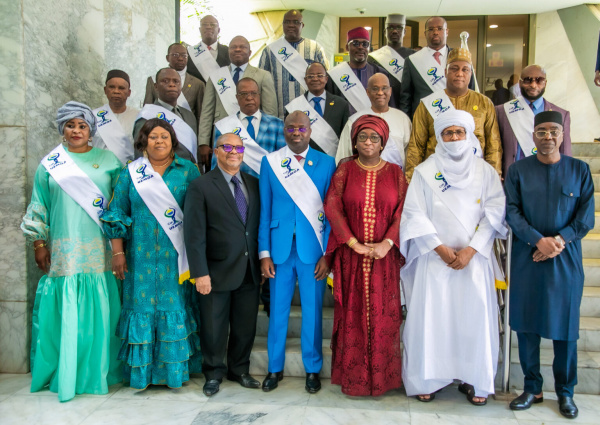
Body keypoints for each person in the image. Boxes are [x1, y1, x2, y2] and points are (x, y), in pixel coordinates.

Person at [400, 110, 507, 405]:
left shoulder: (485, 171)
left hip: (474, 261)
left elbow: (495, 212)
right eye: (448, 133)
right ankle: (429, 378)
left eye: (460, 132)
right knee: (432, 320)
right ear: (440, 137)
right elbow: (413, 214)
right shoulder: (425, 171)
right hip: (434, 260)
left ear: (469, 135)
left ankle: (475, 380)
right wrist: (440, 248)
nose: (454, 138)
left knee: (472, 320)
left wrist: (471, 250)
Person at [21, 101, 122, 402]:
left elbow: (118, 208)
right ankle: (65, 372)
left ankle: (98, 371)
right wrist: (40, 243)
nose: (76, 130)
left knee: (99, 312)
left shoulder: (109, 161)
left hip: (99, 249)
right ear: (62, 129)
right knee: (67, 312)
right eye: (70, 125)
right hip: (64, 249)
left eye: (82, 125)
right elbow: (39, 204)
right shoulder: (50, 163)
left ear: (91, 129)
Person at [505, 111, 595, 420]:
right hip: (527, 258)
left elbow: (585, 218)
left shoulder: (580, 170)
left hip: (565, 260)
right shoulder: (518, 171)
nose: (548, 137)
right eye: (541, 131)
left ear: (562, 135)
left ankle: (565, 393)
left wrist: (557, 241)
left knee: (565, 330)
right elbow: (512, 212)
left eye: (553, 131)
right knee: (527, 326)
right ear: (533, 136)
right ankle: (532, 388)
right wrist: (536, 240)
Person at [101, 118, 202, 390]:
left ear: (173, 141)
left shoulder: (188, 171)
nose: (159, 141)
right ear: (143, 141)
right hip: (139, 258)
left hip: (177, 259)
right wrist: (118, 252)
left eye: (164, 137)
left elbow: (199, 213)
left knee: (175, 308)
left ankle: (174, 373)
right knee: (142, 310)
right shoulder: (130, 173)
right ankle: (141, 375)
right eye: (153, 137)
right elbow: (117, 214)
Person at [324, 115, 407, 396]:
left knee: (383, 317)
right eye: (362, 137)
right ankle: (355, 378)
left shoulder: (396, 172)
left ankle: (383, 380)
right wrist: (351, 242)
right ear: (354, 143)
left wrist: (387, 242)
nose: (368, 142)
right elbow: (332, 206)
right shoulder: (345, 171)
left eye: (374, 138)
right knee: (353, 315)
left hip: (385, 259)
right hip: (352, 257)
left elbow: (403, 212)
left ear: (383, 143)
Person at [259, 111, 336, 394]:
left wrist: (327, 254)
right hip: (279, 251)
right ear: (284, 131)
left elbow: (331, 214)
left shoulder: (327, 163)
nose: (295, 132)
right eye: (290, 128)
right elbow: (265, 212)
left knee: (313, 312)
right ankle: (274, 367)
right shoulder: (270, 163)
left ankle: (312, 369)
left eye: (301, 128)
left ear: (310, 130)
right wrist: (263, 253)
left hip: (313, 250)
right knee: (277, 311)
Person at [184, 133, 262, 397]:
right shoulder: (201, 185)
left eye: (238, 148)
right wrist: (200, 273)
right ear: (216, 151)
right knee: (214, 327)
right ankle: (214, 373)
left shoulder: (254, 183)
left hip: (249, 270)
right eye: (227, 147)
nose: (233, 152)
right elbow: (193, 234)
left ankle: (239, 370)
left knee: (245, 326)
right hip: (215, 271)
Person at [404, 46, 502, 182]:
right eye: (454, 69)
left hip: (474, 178)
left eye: (465, 69)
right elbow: (416, 146)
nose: (459, 74)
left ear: (471, 73)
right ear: (445, 72)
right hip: (436, 179)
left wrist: (493, 177)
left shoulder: (485, 103)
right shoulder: (427, 104)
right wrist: (411, 180)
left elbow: (493, 145)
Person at [198, 35, 278, 167]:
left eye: (242, 47)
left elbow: (270, 111)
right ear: (228, 51)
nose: (237, 50)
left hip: (254, 137)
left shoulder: (263, 75)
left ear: (250, 52)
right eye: (233, 47)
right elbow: (207, 111)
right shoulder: (216, 76)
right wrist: (203, 142)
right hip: (223, 134)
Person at [496, 65, 572, 178]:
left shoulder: (562, 114)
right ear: (520, 83)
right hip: (513, 178)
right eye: (527, 80)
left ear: (545, 83)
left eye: (539, 80)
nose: (533, 85)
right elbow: (495, 148)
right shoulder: (502, 111)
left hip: (546, 178)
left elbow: (565, 153)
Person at [259, 9, 329, 118]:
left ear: (303, 25)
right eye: (287, 22)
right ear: (282, 25)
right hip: (279, 113)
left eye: (296, 22)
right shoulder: (270, 50)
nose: (291, 25)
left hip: (311, 113)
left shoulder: (315, 48)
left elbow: (325, 80)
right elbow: (262, 83)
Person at [399, 16, 475, 118]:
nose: (435, 32)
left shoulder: (461, 58)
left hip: (456, 119)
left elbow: (471, 90)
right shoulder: (412, 60)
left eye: (439, 28)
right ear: (425, 33)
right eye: (431, 29)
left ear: (447, 31)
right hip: (424, 121)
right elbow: (406, 98)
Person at [211, 77, 285, 178]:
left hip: (267, 184)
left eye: (253, 93)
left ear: (259, 96)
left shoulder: (276, 124)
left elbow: (283, 160)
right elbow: (217, 163)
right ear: (237, 97)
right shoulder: (223, 126)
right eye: (243, 94)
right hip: (235, 185)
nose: (249, 98)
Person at [336, 73, 411, 169]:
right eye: (375, 89)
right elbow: (343, 155)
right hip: (362, 181)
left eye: (384, 88)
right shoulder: (354, 120)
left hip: (395, 181)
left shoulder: (403, 119)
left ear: (390, 91)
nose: (380, 93)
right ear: (367, 92)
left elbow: (410, 155)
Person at [284, 62, 349, 157]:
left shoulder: (341, 104)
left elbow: (345, 138)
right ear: (305, 80)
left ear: (326, 79)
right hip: (302, 159)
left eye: (319, 75)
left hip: (333, 159)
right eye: (310, 76)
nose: (315, 79)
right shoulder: (294, 107)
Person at [134, 68, 198, 163]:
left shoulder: (189, 115)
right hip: (162, 175)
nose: (172, 84)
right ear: (155, 86)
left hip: (190, 174)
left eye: (176, 81)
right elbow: (140, 155)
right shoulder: (147, 116)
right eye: (165, 81)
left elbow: (194, 152)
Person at [326, 27, 392, 115]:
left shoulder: (380, 73)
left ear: (369, 48)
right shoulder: (334, 75)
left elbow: (389, 104)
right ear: (347, 47)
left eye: (365, 44)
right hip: (345, 125)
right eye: (355, 43)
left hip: (375, 124)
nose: (361, 47)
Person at [144, 43, 205, 126]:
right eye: (175, 55)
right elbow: (147, 110)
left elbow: (200, 116)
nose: (180, 58)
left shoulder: (198, 84)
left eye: (184, 55)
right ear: (167, 58)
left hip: (186, 131)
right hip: (160, 129)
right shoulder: (152, 80)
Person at [92, 69, 139, 165]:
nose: (116, 91)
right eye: (112, 87)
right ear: (105, 90)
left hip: (127, 171)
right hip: (100, 170)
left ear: (129, 92)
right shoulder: (93, 116)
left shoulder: (138, 116)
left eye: (121, 88)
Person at [368, 14, 415, 106]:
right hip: (383, 106)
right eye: (390, 28)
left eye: (399, 28)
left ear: (404, 32)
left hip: (409, 106)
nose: (394, 31)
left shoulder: (414, 55)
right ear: (384, 32)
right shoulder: (373, 58)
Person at [186, 15, 230, 83]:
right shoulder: (189, 53)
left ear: (218, 30)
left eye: (212, 25)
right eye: (204, 25)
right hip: (198, 92)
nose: (208, 27)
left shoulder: (229, 52)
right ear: (199, 29)